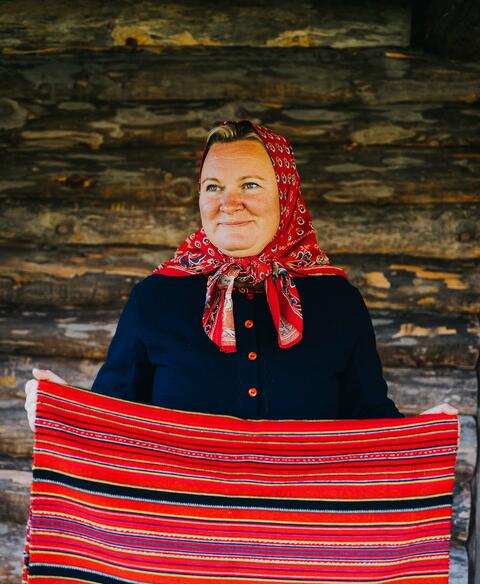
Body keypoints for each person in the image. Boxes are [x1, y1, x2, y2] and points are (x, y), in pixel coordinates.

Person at [24, 119, 458, 428]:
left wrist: (420, 438)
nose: (228, 203)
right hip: (181, 550)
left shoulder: (336, 301)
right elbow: (110, 424)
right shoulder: (156, 299)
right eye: (213, 186)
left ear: (285, 197)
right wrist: (65, 414)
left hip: (301, 550)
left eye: (250, 184)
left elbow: (371, 426)